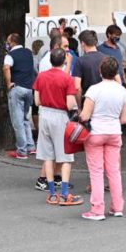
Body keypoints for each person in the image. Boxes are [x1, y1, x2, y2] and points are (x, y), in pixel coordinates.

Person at [80, 57, 126, 220]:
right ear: (116, 72)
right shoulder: (122, 91)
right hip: (114, 132)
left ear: (100, 71)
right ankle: (117, 207)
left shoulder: (94, 90)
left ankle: (97, 209)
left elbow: (85, 116)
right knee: (114, 171)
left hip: (96, 132)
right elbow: (125, 119)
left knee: (96, 172)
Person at [33, 48, 83, 206]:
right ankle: (65, 193)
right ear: (64, 61)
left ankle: (52, 193)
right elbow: (70, 104)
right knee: (65, 155)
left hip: (45, 115)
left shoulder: (41, 76)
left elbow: (37, 101)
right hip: (60, 116)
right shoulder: (67, 78)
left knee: (48, 155)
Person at [3, 32, 36, 159]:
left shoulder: (10, 55)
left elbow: (6, 68)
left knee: (18, 122)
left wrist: (8, 84)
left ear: (12, 42)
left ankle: (22, 151)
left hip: (17, 88)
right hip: (29, 89)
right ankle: (31, 146)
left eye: (8, 41)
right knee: (25, 119)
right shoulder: (28, 52)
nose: (7, 44)